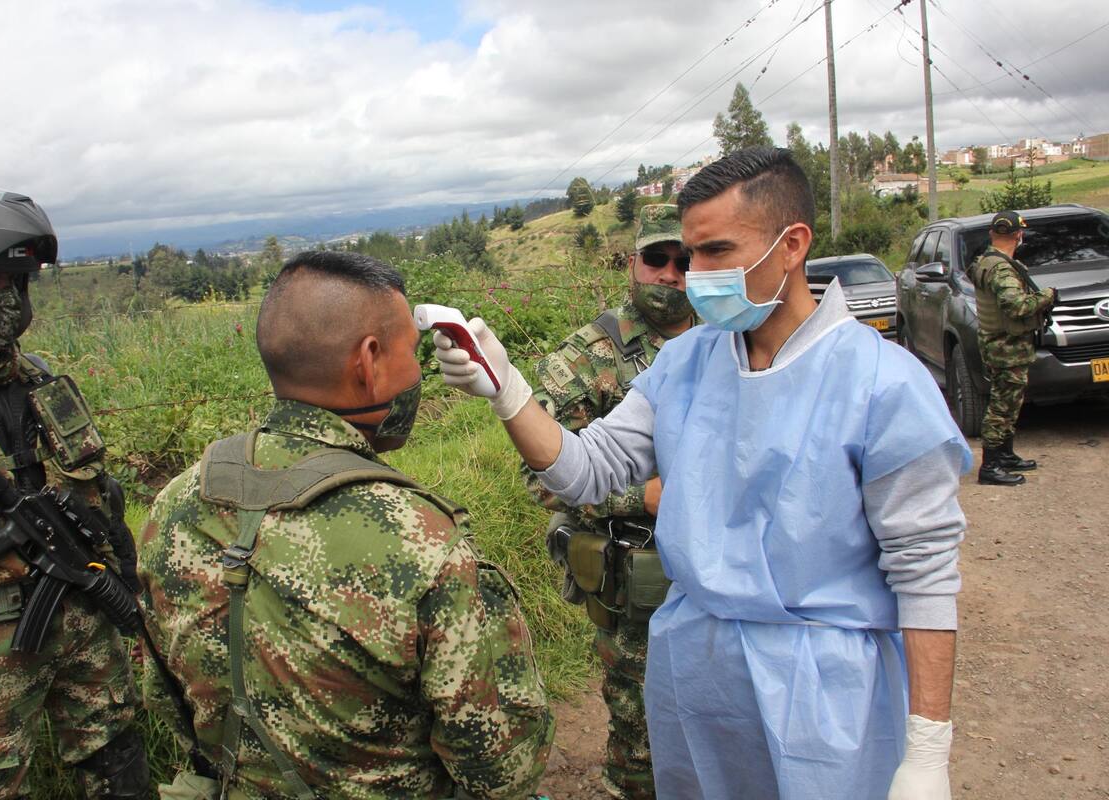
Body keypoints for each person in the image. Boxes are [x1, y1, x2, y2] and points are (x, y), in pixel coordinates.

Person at [431, 148, 969, 799]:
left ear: (792, 244)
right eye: (688, 258)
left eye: (715, 252)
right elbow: (586, 472)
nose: (692, 276)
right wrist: (507, 390)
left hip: (827, 691)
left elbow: (926, 575)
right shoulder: (685, 364)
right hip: (697, 678)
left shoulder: (883, 384)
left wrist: (928, 749)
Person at [138, 250, 553, 799]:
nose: (418, 375)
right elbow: (505, 770)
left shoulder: (175, 503)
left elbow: (166, 698)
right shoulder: (421, 538)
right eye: (413, 354)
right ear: (370, 359)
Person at [0, 184, 147, 798]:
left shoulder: (42, 382)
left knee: (124, 776)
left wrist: (126, 585)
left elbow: (102, 499)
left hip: (87, 628)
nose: (4, 303)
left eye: (13, 286)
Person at [524, 203, 693, 800]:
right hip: (640, 579)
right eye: (657, 260)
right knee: (642, 729)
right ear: (633, 263)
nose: (670, 274)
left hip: (719, 572)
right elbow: (543, 475)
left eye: (684, 260)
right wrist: (639, 497)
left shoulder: (724, 336)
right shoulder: (586, 357)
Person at [968, 210, 1057, 487]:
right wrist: (1046, 296)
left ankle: (1004, 455)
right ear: (1019, 234)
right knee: (1002, 406)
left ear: (993, 234)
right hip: (1006, 347)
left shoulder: (986, 261)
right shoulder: (1002, 268)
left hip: (1000, 344)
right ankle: (991, 466)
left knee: (1010, 402)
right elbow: (1015, 306)